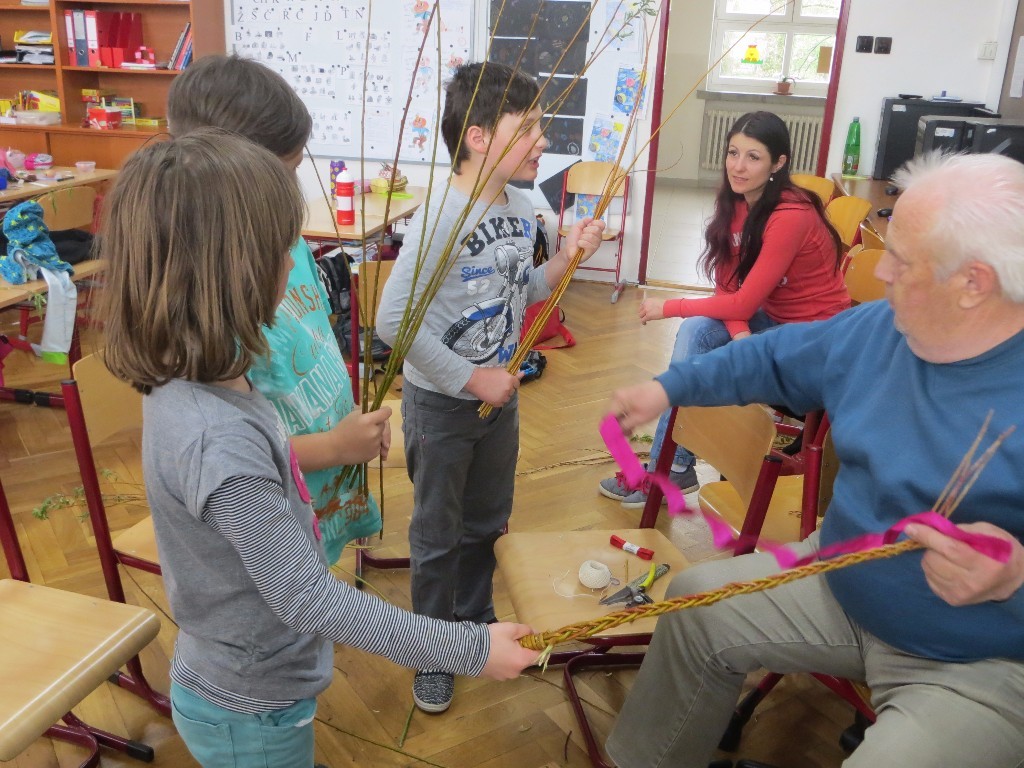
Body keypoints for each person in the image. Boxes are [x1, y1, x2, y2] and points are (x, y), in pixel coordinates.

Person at [98, 131, 539, 768]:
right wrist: (466, 649)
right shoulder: (216, 439)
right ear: (233, 274)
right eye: (284, 247)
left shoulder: (203, 374)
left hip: (254, 685)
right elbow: (307, 598)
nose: (295, 261)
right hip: (252, 707)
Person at [603, 151, 1024, 768]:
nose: (880, 272)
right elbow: (773, 357)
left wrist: (1016, 576)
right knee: (695, 608)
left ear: (973, 282)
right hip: (840, 578)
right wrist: (668, 388)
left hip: (978, 660)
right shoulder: (882, 328)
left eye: (901, 260)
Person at [376, 61, 605, 714]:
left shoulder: (522, 207)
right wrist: (471, 377)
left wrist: (566, 259)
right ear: (477, 138)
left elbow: (523, 288)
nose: (542, 140)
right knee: (437, 535)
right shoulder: (440, 217)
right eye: (527, 127)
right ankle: (432, 646)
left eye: (541, 126)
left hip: (498, 406)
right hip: (442, 407)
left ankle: (474, 624)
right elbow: (393, 320)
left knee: (485, 523)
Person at [166, 54, 385, 565]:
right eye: (284, 173)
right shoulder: (207, 311)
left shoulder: (286, 248)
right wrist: (335, 447)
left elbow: (316, 337)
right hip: (277, 517)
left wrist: (352, 427)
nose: (295, 189)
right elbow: (239, 451)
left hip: (327, 490)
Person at [599, 111, 850, 509]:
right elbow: (729, 287)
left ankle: (669, 467)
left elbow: (744, 302)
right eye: (733, 152)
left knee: (704, 340)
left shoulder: (791, 216)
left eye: (753, 157)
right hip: (774, 321)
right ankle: (674, 467)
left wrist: (670, 306)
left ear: (778, 164)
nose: (738, 166)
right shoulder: (738, 202)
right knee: (697, 332)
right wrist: (740, 334)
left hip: (817, 339)